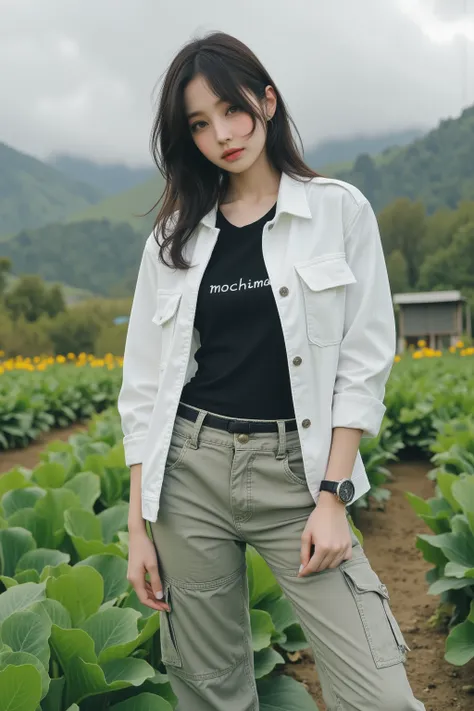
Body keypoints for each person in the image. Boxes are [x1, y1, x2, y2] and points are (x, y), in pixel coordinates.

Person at [118, 30, 425, 711]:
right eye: (199, 124)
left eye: (231, 110)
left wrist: (333, 495)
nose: (222, 134)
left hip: (299, 472)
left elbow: (365, 356)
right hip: (189, 475)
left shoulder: (338, 211)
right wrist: (139, 526)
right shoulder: (173, 240)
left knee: (380, 695)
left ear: (266, 101)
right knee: (212, 693)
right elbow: (143, 387)